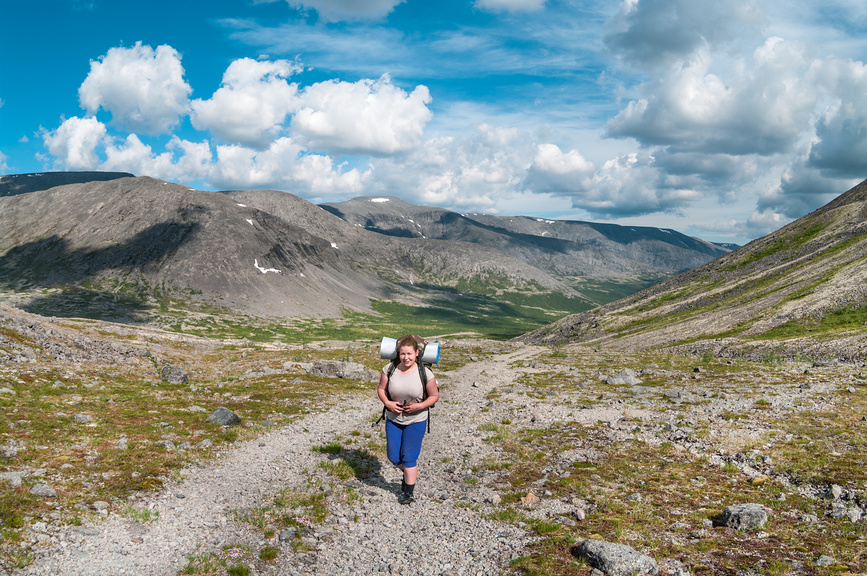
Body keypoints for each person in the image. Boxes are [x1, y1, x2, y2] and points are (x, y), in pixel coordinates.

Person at [377, 334, 439, 504]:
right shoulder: (389, 369)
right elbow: (381, 389)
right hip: (394, 418)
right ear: (398, 353)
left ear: (417, 353)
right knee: (393, 457)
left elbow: (434, 396)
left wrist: (420, 406)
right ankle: (409, 472)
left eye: (409, 354)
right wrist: (387, 403)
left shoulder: (425, 373)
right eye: (403, 354)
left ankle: (408, 492)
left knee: (409, 457)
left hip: (416, 420)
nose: (406, 358)